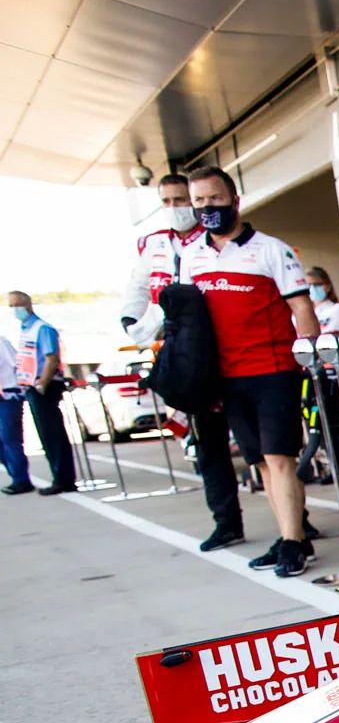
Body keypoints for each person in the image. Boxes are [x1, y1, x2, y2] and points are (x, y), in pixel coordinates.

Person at [182, 166, 321, 577]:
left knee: (280, 460)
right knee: (261, 463)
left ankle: (293, 543)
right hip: (227, 376)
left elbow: (302, 309)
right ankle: (290, 534)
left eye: (215, 198)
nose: (208, 208)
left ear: (235, 200)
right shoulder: (191, 256)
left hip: (274, 369)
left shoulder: (271, 250)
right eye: (200, 201)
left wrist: (310, 359)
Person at [119, 172, 245, 550]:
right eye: (168, 202)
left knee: (258, 441)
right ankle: (226, 522)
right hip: (187, 356)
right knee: (208, 444)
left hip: (229, 349)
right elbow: (138, 286)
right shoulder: (153, 244)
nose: (176, 208)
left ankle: (296, 521)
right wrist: (132, 322)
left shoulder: (220, 240)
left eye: (182, 200)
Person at [9, 293, 77, 494]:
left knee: (53, 434)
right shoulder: (26, 330)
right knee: (46, 436)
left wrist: (42, 384)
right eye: (11, 305)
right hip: (32, 386)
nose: (15, 309)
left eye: (18, 304)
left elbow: (51, 358)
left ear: (28, 304)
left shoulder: (42, 328)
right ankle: (59, 477)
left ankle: (64, 479)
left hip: (44, 387)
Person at [297, 267, 339, 485]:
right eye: (309, 285)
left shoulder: (337, 310)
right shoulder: (301, 316)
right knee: (321, 425)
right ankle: (335, 468)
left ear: (327, 285)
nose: (313, 290)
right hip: (314, 375)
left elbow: (329, 341)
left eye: (316, 284)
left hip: (337, 373)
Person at [0, 330, 30, 494]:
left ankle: (21, 479)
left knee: (10, 438)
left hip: (8, 397)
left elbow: (18, 365)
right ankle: (15, 475)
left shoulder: (1, 343)